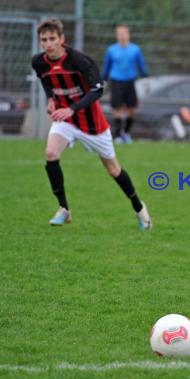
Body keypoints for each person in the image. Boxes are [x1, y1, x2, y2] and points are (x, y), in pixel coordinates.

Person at [31, 19, 152, 230]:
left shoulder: (79, 60)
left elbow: (97, 89)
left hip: (92, 124)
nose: (49, 44)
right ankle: (64, 209)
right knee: (51, 153)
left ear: (62, 39)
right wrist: (51, 99)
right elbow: (45, 79)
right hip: (65, 120)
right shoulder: (38, 62)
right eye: (44, 40)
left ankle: (140, 209)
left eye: (52, 39)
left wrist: (71, 108)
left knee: (113, 170)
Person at [101, 23, 148, 144]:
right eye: (119, 33)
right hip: (116, 82)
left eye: (124, 33)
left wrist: (145, 79)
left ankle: (126, 133)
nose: (121, 36)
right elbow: (106, 67)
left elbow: (141, 65)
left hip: (130, 82)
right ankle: (117, 136)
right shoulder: (111, 50)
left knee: (133, 110)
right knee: (117, 109)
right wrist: (103, 81)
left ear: (128, 34)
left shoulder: (135, 49)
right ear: (116, 35)